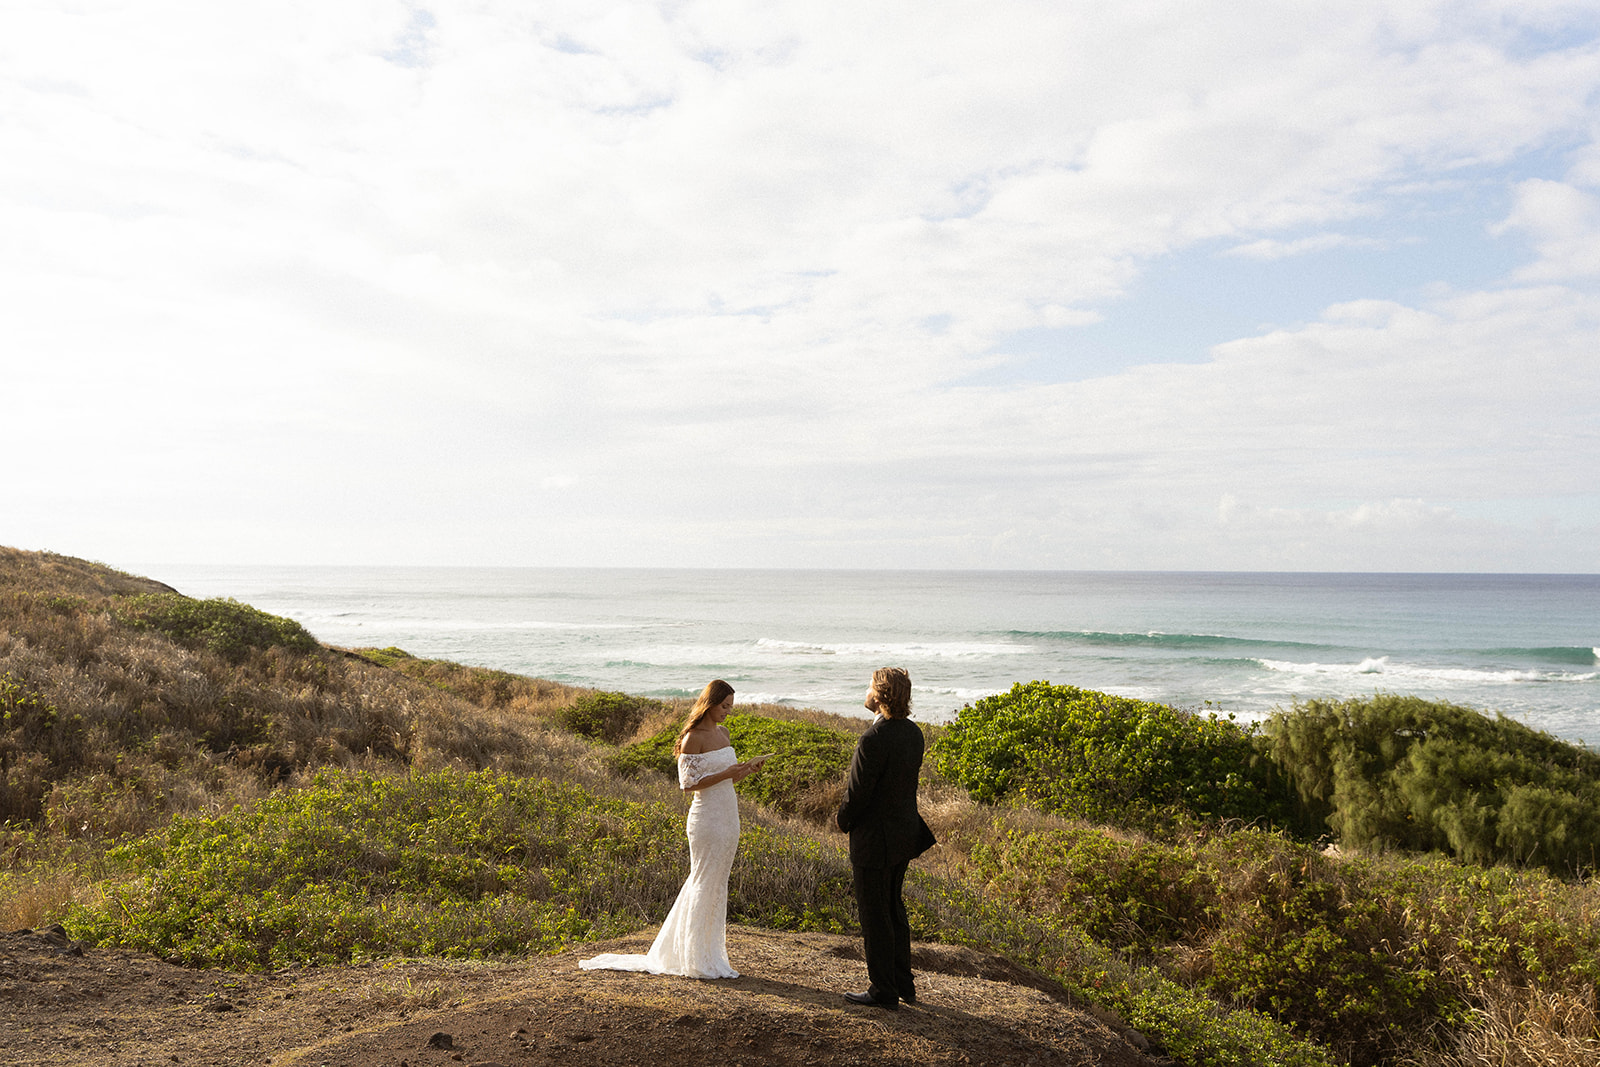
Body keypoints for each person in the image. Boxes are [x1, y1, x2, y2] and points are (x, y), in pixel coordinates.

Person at [579, 679, 766, 979]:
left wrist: (744, 771)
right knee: (703, 880)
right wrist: (727, 772)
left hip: (729, 815)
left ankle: (709, 953)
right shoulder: (693, 737)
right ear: (710, 704)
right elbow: (687, 784)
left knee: (717, 883)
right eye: (724, 706)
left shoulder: (724, 733)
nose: (727, 712)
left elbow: (728, 780)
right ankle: (692, 957)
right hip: (706, 818)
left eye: (731, 707)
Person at [836, 667, 936, 1011]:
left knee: (874, 914)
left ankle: (883, 990)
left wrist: (842, 820)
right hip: (903, 834)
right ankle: (903, 983)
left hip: (874, 840)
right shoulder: (913, 733)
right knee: (893, 908)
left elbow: (858, 794)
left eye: (869, 686)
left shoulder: (873, 739)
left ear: (879, 695)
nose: (865, 691)